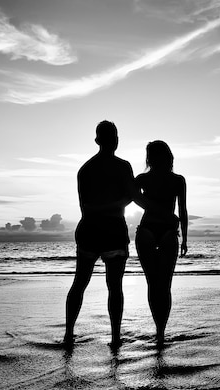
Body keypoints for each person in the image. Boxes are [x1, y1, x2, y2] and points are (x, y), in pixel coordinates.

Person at [64, 120, 152, 349]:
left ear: (98, 140)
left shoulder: (86, 169)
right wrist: (124, 203)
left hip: (91, 230)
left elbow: (88, 208)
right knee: (111, 286)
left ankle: (72, 334)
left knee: (83, 283)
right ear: (112, 140)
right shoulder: (120, 167)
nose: (115, 140)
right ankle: (113, 337)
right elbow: (131, 197)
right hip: (109, 230)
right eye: (114, 136)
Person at [135, 140, 188, 346]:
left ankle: (158, 330)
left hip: (146, 229)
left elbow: (129, 195)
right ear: (169, 156)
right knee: (165, 285)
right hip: (168, 231)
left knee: (152, 283)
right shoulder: (178, 180)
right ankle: (160, 333)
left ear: (149, 158)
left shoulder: (142, 179)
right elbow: (182, 211)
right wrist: (184, 237)